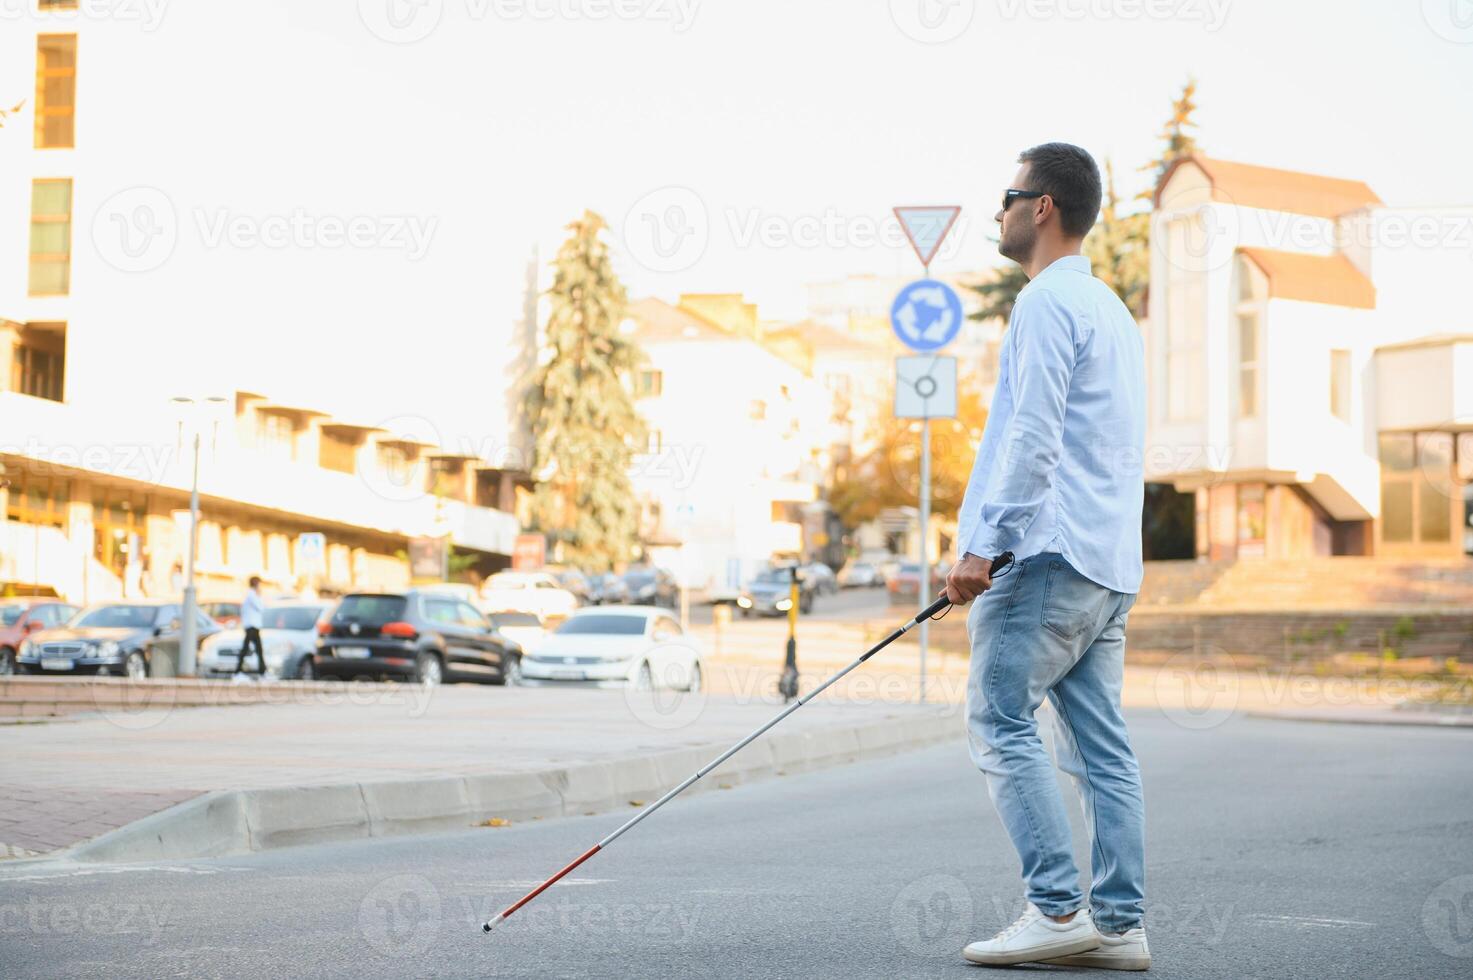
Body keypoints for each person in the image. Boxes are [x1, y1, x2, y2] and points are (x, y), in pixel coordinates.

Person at [944, 142, 1149, 970]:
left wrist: (983, 546)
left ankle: (1058, 910)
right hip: (1108, 564)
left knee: (998, 719)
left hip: (1048, 555)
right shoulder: (1111, 310)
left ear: (1042, 208)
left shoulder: (1043, 305)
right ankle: (1120, 924)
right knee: (1102, 748)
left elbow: (1030, 440)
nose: (996, 211)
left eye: (1006, 195)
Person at [234, 575, 266, 679]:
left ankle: (262, 672)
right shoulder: (252, 595)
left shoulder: (250, 595)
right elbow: (261, 607)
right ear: (256, 584)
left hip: (253, 626)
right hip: (251, 626)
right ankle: (238, 672)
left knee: (258, 650)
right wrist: (260, 595)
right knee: (247, 649)